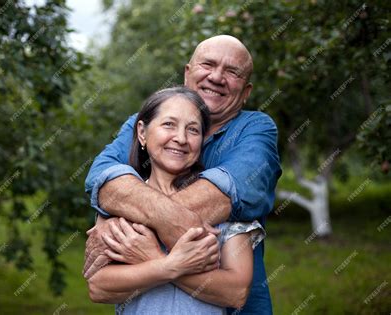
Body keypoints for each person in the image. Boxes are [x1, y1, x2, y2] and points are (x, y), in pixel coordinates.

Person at [84, 35, 282, 314]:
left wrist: (124, 226)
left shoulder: (256, 129)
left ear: (246, 91)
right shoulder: (142, 119)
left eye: (232, 72)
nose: (216, 77)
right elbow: (102, 179)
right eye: (208, 64)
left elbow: (224, 196)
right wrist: (114, 205)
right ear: (187, 72)